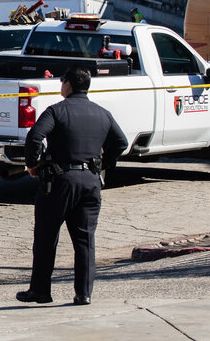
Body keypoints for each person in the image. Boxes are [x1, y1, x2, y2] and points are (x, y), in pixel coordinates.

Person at [15, 67, 127, 306]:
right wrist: (103, 163)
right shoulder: (102, 113)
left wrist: (33, 164)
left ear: (68, 85)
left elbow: (35, 137)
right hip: (90, 181)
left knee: (46, 237)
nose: (60, 85)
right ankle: (83, 293)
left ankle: (40, 291)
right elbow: (121, 142)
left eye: (61, 81)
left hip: (59, 182)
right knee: (85, 240)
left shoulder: (57, 111)